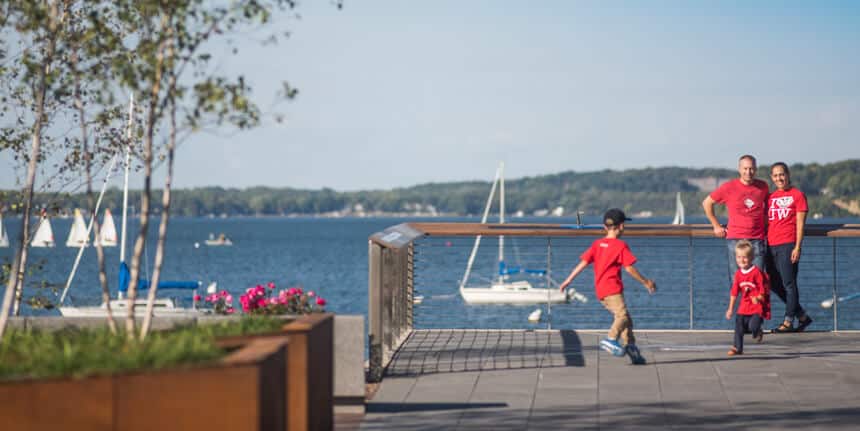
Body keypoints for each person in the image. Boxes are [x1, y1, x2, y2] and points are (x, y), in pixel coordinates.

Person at [558, 208, 656, 365]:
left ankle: (631, 347)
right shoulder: (621, 245)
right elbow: (629, 268)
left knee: (626, 321)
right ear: (621, 226)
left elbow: (583, 263)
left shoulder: (597, 244)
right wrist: (646, 282)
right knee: (622, 316)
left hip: (601, 290)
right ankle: (610, 338)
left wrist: (568, 280)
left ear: (605, 227)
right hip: (613, 289)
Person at [702, 154, 770, 275]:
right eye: (745, 168)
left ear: (756, 169)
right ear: (739, 169)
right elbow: (707, 203)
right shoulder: (729, 187)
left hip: (757, 240)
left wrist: (765, 225)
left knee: (758, 280)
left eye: (751, 168)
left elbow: (767, 207)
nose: (748, 172)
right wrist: (716, 226)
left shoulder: (763, 186)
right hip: (735, 240)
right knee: (737, 281)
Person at [765, 162, 813, 333]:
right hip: (771, 246)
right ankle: (802, 316)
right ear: (772, 178)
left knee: (789, 284)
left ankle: (788, 321)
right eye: (776, 175)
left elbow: (800, 225)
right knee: (773, 283)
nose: (779, 178)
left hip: (788, 244)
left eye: (782, 174)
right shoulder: (770, 197)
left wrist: (797, 247)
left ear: (788, 175)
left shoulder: (797, 195)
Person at [725, 240, 771, 356]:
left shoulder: (756, 273)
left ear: (751, 257)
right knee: (739, 327)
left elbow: (764, 291)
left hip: (756, 308)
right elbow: (734, 292)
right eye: (739, 257)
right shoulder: (738, 274)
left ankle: (758, 331)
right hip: (743, 307)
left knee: (752, 327)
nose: (742, 260)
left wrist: (758, 298)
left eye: (745, 257)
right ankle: (737, 347)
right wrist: (730, 309)